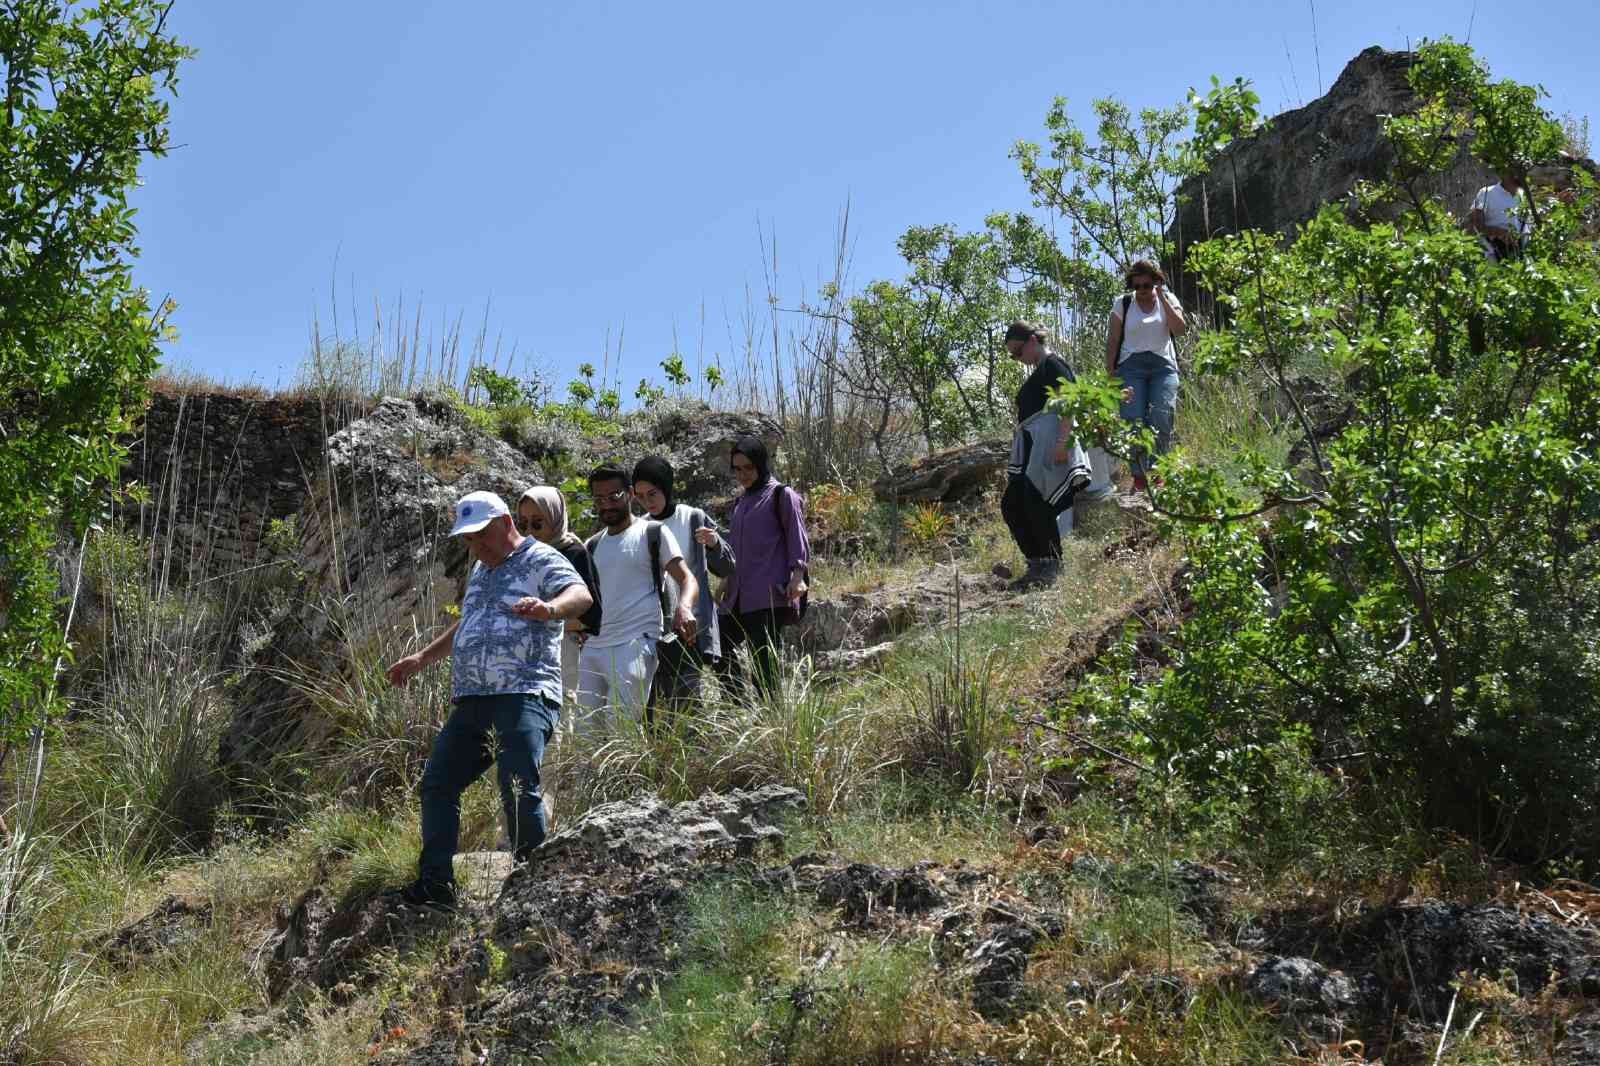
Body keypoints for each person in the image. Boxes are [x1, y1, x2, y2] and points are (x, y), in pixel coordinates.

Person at [384, 490, 593, 909]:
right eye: (468, 539)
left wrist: (549, 609)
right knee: (439, 782)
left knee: (517, 784)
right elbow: (467, 624)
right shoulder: (481, 571)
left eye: (482, 535)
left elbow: (581, 596)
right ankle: (437, 886)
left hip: (524, 692)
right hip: (473, 700)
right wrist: (422, 657)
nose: (476, 545)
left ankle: (532, 889)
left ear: (506, 524)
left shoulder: (543, 558)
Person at [575, 463, 699, 730]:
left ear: (630, 494)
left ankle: (633, 774)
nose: (606, 504)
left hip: (636, 643)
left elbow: (687, 578)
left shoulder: (652, 533)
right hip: (593, 647)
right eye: (599, 499)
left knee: (621, 728)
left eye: (614, 496)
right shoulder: (592, 545)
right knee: (585, 735)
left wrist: (685, 608)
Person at [631, 456, 736, 716]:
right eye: (641, 496)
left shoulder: (692, 517)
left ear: (666, 487)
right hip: (652, 626)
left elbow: (726, 567)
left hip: (690, 626)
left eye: (652, 493)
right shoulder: (641, 527)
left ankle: (695, 753)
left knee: (688, 701)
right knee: (652, 704)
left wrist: (714, 544)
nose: (648, 501)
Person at [714, 436, 809, 698]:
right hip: (738, 596)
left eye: (748, 467)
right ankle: (738, 705)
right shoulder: (741, 502)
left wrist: (798, 575)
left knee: (763, 662)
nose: (743, 474)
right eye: (737, 468)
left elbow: (797, 536)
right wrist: (725, 581)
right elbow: (734, 546)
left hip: (767, 595)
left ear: (761, 464)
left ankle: (772, 718)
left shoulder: (782, 495)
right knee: (715, 645)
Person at [1002, 321, 1092, 589]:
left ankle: (1051, 564)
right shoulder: (1040, 369)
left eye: (1018, 352)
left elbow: (1069, 401)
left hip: (1050, 444)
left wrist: (1063, 442)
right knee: (1012, 503)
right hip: (1032, 447)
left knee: (1036, 500)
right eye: (1012, 355)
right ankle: (1036, 563)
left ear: (1032, 340)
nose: (1018, 359)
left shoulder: (1054, 365)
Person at [515, 486, 601, 705]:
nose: (529, 532)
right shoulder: (521, 556)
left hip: (561, 654)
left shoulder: (574, 554)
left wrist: (545, 617)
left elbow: (592, 617)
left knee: (557, 722)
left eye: (537, 523)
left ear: (555, 519)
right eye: (523, 524)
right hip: (522, 655)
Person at [1106, 260, 1187, 493]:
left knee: (1162, 414)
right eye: (1137, 285)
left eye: (1147, 285)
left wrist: (1161, 297)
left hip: (1163, 366)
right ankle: (1139, 475)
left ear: (1156, 282)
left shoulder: (1168, 300)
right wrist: (1110, 371)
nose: (1142, 290)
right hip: (1130, 367)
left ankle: (1160, 470)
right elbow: (1113, 338)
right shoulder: (1123, 303)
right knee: (1133, 419)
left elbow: (1180, 330)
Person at [1469, 168, 1529, 262]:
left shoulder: (1523, 195)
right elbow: (1476, 223)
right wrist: (1500, 232)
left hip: (1518, 253)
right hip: (1493, 254)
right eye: (1515, 172)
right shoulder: (1486, 193)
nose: (1522, 175)